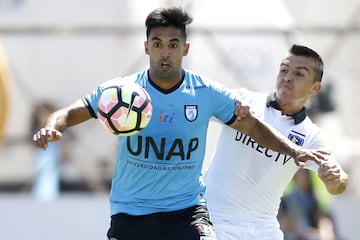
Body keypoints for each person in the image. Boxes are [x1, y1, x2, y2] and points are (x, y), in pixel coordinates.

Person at [33, 8, 324, 240]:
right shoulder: (121, 93)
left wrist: (293, 150)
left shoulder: (206, 94)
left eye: (173, 45)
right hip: (131, 213)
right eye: (158, 44)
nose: (165, 52)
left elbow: (251, 126)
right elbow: (72, 112)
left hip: (186, 212)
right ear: (146, 47)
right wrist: (53, 125)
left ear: (185, 49)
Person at [204, 44, 348, 240]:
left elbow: (338, 181)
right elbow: (198, 104)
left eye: (299, 74)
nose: (287, 77)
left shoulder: (312, 136)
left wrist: (335, 179)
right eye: (284, 70)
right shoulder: (244, 100)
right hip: (215, 220)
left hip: (264, 228)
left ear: (315, 88)